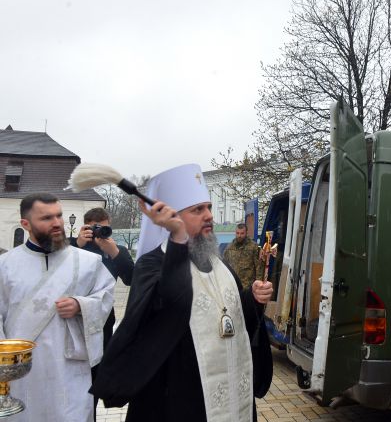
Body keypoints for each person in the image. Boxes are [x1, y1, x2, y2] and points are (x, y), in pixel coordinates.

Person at [91, 164, 273, 422]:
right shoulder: (151, 264)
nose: (209, 215)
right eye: (198, 210)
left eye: (208, 207)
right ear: (172, 219)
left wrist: (252, 298)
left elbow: (230, 317)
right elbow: (167, 309)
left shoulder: (219, 263)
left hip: (232, 392)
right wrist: (178, 238)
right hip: (179, 394)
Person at [0, 193, 115, 422]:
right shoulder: (5, 265)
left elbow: (106, 297)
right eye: (46, 218)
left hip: (69, 368)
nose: (56, 223)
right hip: (21, 372)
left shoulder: (88, 262)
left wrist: (81, 305)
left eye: (59, 216)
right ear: (26, 224)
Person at [71, 207, 135, 417]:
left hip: (103, 324)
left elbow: (132, 279)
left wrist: (114, 252)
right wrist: (76, 243)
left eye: (104, 228)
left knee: (96, 382)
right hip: (72, 324)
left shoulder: (117, 249)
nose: (99, 233)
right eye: (94, 228)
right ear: (84, 227)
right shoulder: (73, 247)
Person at [223, 223, 263, 289]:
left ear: (246, 233)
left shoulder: (253, 247)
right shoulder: (229, 247)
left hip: (248, 286)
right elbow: (224, 266)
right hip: (234, 285)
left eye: (242, 233)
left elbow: (259, 267)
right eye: (237, 233)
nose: (239, 235)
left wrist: (258, 285)